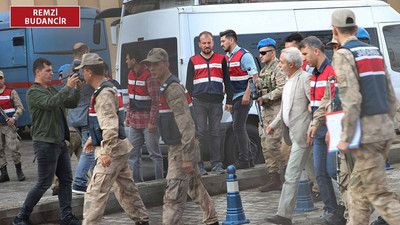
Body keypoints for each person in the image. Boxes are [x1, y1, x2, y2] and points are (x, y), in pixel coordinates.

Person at [331, 9, 400, 225]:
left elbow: (351, 99)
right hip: (383, 130)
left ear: (335, 30)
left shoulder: (343, 55)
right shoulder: (375, 52)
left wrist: (345, 136)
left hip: (366, 135)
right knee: (358, 193)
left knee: (380, 194)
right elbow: (390, 93)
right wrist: (392, 122)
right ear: (354, 27)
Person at [142, 48, 219, 225]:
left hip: (181, 148)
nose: (151, 68)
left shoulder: (172, 89)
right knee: (195, 187)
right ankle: (212, 219)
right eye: (149, 65)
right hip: (178, 147)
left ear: (167, 65)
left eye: (156, 64)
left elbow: (187, 126)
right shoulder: (166, 86)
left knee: (173, 196)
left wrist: (186, 157)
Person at [77, 53, 149, 225]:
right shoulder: (106, 89)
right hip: (118, 147)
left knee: (95, 193)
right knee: (126, 190)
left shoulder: (103, 94)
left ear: (89, 72)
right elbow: (102, 122)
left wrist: (106, 152)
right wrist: (92, 139)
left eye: (83, 71)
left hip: (111, 151)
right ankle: (142, 220)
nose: (81, 75)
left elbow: (110, 124)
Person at [13, 58, 82, 225]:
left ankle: (67, 218)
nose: (52, 74)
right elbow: (50, 104)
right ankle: (21, 217)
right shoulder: (33, 92)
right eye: (48, 71)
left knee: (66, 181)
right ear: (38, 72)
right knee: (44, 183)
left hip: (59, 143)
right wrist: (67, 87)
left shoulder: (51, 89)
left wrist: (78, 89)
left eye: (51, 70)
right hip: (45, 144)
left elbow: (71, 103)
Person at [264, 47, 316, 225]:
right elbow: (284, 109)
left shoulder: (305, 79)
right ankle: (345, 201)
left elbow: (315, 106)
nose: (279, 65)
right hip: (292, 134)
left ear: (291, 65)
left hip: (303, 135)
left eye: (282, 62)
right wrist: (272, 125)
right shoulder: (288, 80)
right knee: (318, 176)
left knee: (291, 174)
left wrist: (312, 127)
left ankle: (284, 215)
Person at [299, 36, 338, 223]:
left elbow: (331, 103)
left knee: (334, 171)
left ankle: (349, 205)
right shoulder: (313, 74)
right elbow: (316, 104)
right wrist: (312, 125)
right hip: (319, 130)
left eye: (305, 53)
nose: (303, 58)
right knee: (320, 173)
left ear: (316, 51)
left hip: (331, 130)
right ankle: (331, 209)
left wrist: (330, 129)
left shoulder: (331, 71)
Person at [186, 31, 233, 175]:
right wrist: (191, 102)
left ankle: (216, 164)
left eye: (209, 43)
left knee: (215, 133)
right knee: (200, 133)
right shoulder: (193, 60)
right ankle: (199, 165)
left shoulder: (221, 59)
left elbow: (227, 81)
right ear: (199, 44)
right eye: (204, 43)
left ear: (213, 43)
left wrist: (229, 100)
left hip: (216, 102)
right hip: (199, 102)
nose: (207, 45)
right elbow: (189, 84)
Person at [219, 29, 257, 169]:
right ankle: (249, 157)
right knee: (239, 128)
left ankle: (244, 158)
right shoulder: (227, 57)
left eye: (223, 41)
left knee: (238, 127)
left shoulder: (244, 55)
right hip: (234, 97)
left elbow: (253, 75)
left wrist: (247, 94)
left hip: (242, 96)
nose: (221, 44)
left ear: (231, 40)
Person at [254, 38, 287, 192]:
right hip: (265, 112)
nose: (260, 56)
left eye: (263, 53)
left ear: (272, 52)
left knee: (274, 144)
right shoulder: (263, 70)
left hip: (276, 111)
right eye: (259, 53)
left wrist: (265, 97)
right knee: (265, 146)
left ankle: (288, 174)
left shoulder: (278, 68)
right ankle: (274, 177)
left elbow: (282, 88)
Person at [125, 49, 163, 183]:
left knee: (155, 154)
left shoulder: (149, 76)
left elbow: (156, 101)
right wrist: (128, 115)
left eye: (127, 58)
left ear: (133, 60)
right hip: (135, 122)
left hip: (148, 122)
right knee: (133, 155)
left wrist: (152, 122)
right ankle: (138, 184)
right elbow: (131, 97)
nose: (126, 61)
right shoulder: (130, 74)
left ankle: (160, 183)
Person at [63, 43, 95, 195]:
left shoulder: (66, 71)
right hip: (87, 115)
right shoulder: (87, 70)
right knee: (88, 150)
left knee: (90, 148)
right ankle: (80, 182)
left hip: (74, 117)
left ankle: (96, 179)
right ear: (86, 52)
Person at [52, 64, 83, 196]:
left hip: (71, 131)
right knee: (84, 160)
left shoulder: (66, 90)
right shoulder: (74, 88)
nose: (60, 79)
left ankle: (57, 187)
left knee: (62, 163)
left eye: (61, 75)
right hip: (79, 130)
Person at [0, 70, 25, 183]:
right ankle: (4, 173)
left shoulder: (11, 92)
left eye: (0, 78)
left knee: (14, 148)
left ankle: (19, 171)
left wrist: (14, 118)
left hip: (9, 125)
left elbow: (20, 107)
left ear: (3, 79)